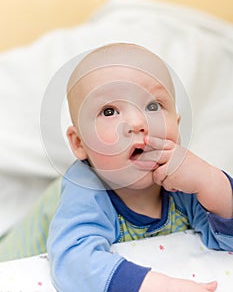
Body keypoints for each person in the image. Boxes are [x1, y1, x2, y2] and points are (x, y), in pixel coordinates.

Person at [47, 43, 233, 292]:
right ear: (79, 143)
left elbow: (224, 240)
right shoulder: (85, 189)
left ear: (176, 125)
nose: (137, 122)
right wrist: (160, 287)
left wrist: (211, 182)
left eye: (153, 106)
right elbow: (73, 264)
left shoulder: (182, 178)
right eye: (109, 111)